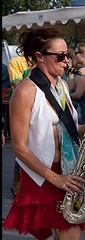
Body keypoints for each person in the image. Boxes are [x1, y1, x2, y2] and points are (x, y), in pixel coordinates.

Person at [2, 27, 85, 240]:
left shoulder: (61, 86)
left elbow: (65, 128)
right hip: (44, 175)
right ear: (40, 57)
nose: (66, 61)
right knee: (71, 236)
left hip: (65, 170)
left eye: (67, 55)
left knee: (64, 238)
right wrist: (56, 179)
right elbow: (19, 148)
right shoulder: (25, 91)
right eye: (59, 56)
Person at [7, 46, 34, 198]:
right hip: (23, 110)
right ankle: (17, 182)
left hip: (41, 108)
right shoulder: (16, 62)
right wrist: (35, 69)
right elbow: (18, 87)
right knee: (22, 146)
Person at [70, 43, 85, 125]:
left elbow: (78, 95)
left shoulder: (83, 71)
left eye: (76, 53)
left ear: (83, 53)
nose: (74, 56)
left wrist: (66, 97)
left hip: (84, 112)